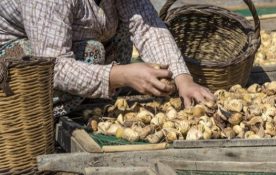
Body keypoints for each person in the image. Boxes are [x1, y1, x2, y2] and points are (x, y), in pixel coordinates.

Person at [0, 0, 214, 116]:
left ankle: (89, 100)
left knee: (122, 28)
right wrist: (121, 75)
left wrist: (183, 79)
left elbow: (147, 27)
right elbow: (53, 66)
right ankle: (46, 115)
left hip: (68, 38)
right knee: (92, 52)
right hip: (16, 56)